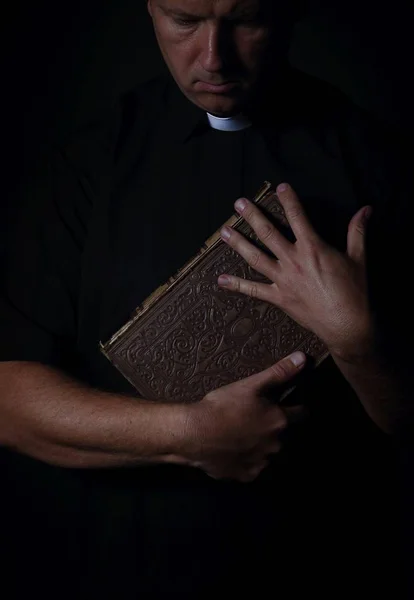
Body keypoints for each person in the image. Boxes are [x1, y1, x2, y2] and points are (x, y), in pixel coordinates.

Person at [0, 0, 412, 598]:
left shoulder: (377, 163)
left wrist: (357, 342)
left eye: (248, 21)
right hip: (125, 577)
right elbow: (7, 400)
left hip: (328, 572)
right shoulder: (90, 163)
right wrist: (189, 434)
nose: (214, 57)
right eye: (184, 20)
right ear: (149, 8)